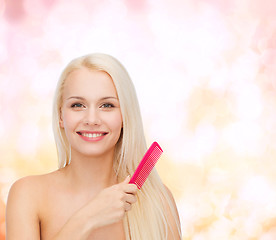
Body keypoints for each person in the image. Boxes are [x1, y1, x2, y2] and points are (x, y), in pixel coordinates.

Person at [5, 53, 182, 239]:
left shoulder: (158, 201)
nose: (91, 119)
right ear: (60, 116)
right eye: (78, 105)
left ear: (125, 117)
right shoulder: (28, 195)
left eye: (107, 105)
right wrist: (88, 218)